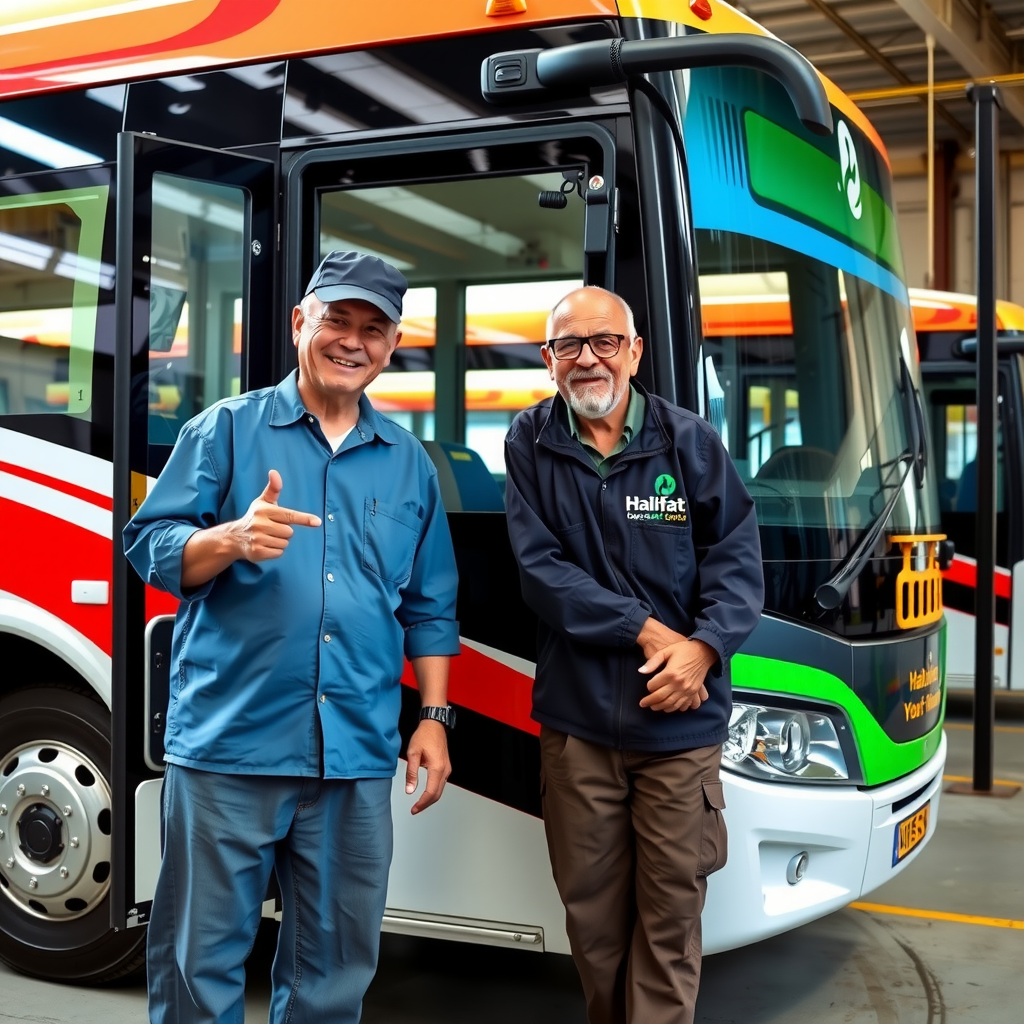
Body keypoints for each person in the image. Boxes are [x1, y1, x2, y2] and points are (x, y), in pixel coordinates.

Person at [123, 250, 460, 1024]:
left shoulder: (409, 464)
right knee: (197, 962)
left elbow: (431, 605)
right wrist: (232, 540)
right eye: (337, 319)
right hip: (230, 746)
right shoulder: (226, 431)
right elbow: (151, 545)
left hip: (354, 752)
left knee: (335, 967)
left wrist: (435, 722)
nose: (353, 341)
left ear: (391, 344)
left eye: (373, 329)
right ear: (299, 322)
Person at [503, 286, 764, 1024]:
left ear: (636, 351)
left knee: (671, 916)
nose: (588, 358)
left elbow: (738, 563)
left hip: (680, 733)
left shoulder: (688, 443)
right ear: (548, 361)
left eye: (605, 341)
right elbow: (541, 571)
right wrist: (649, 633)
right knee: (593, 919)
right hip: (579, 728)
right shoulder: (529, 443)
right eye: (569, 346)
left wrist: (704, 652)